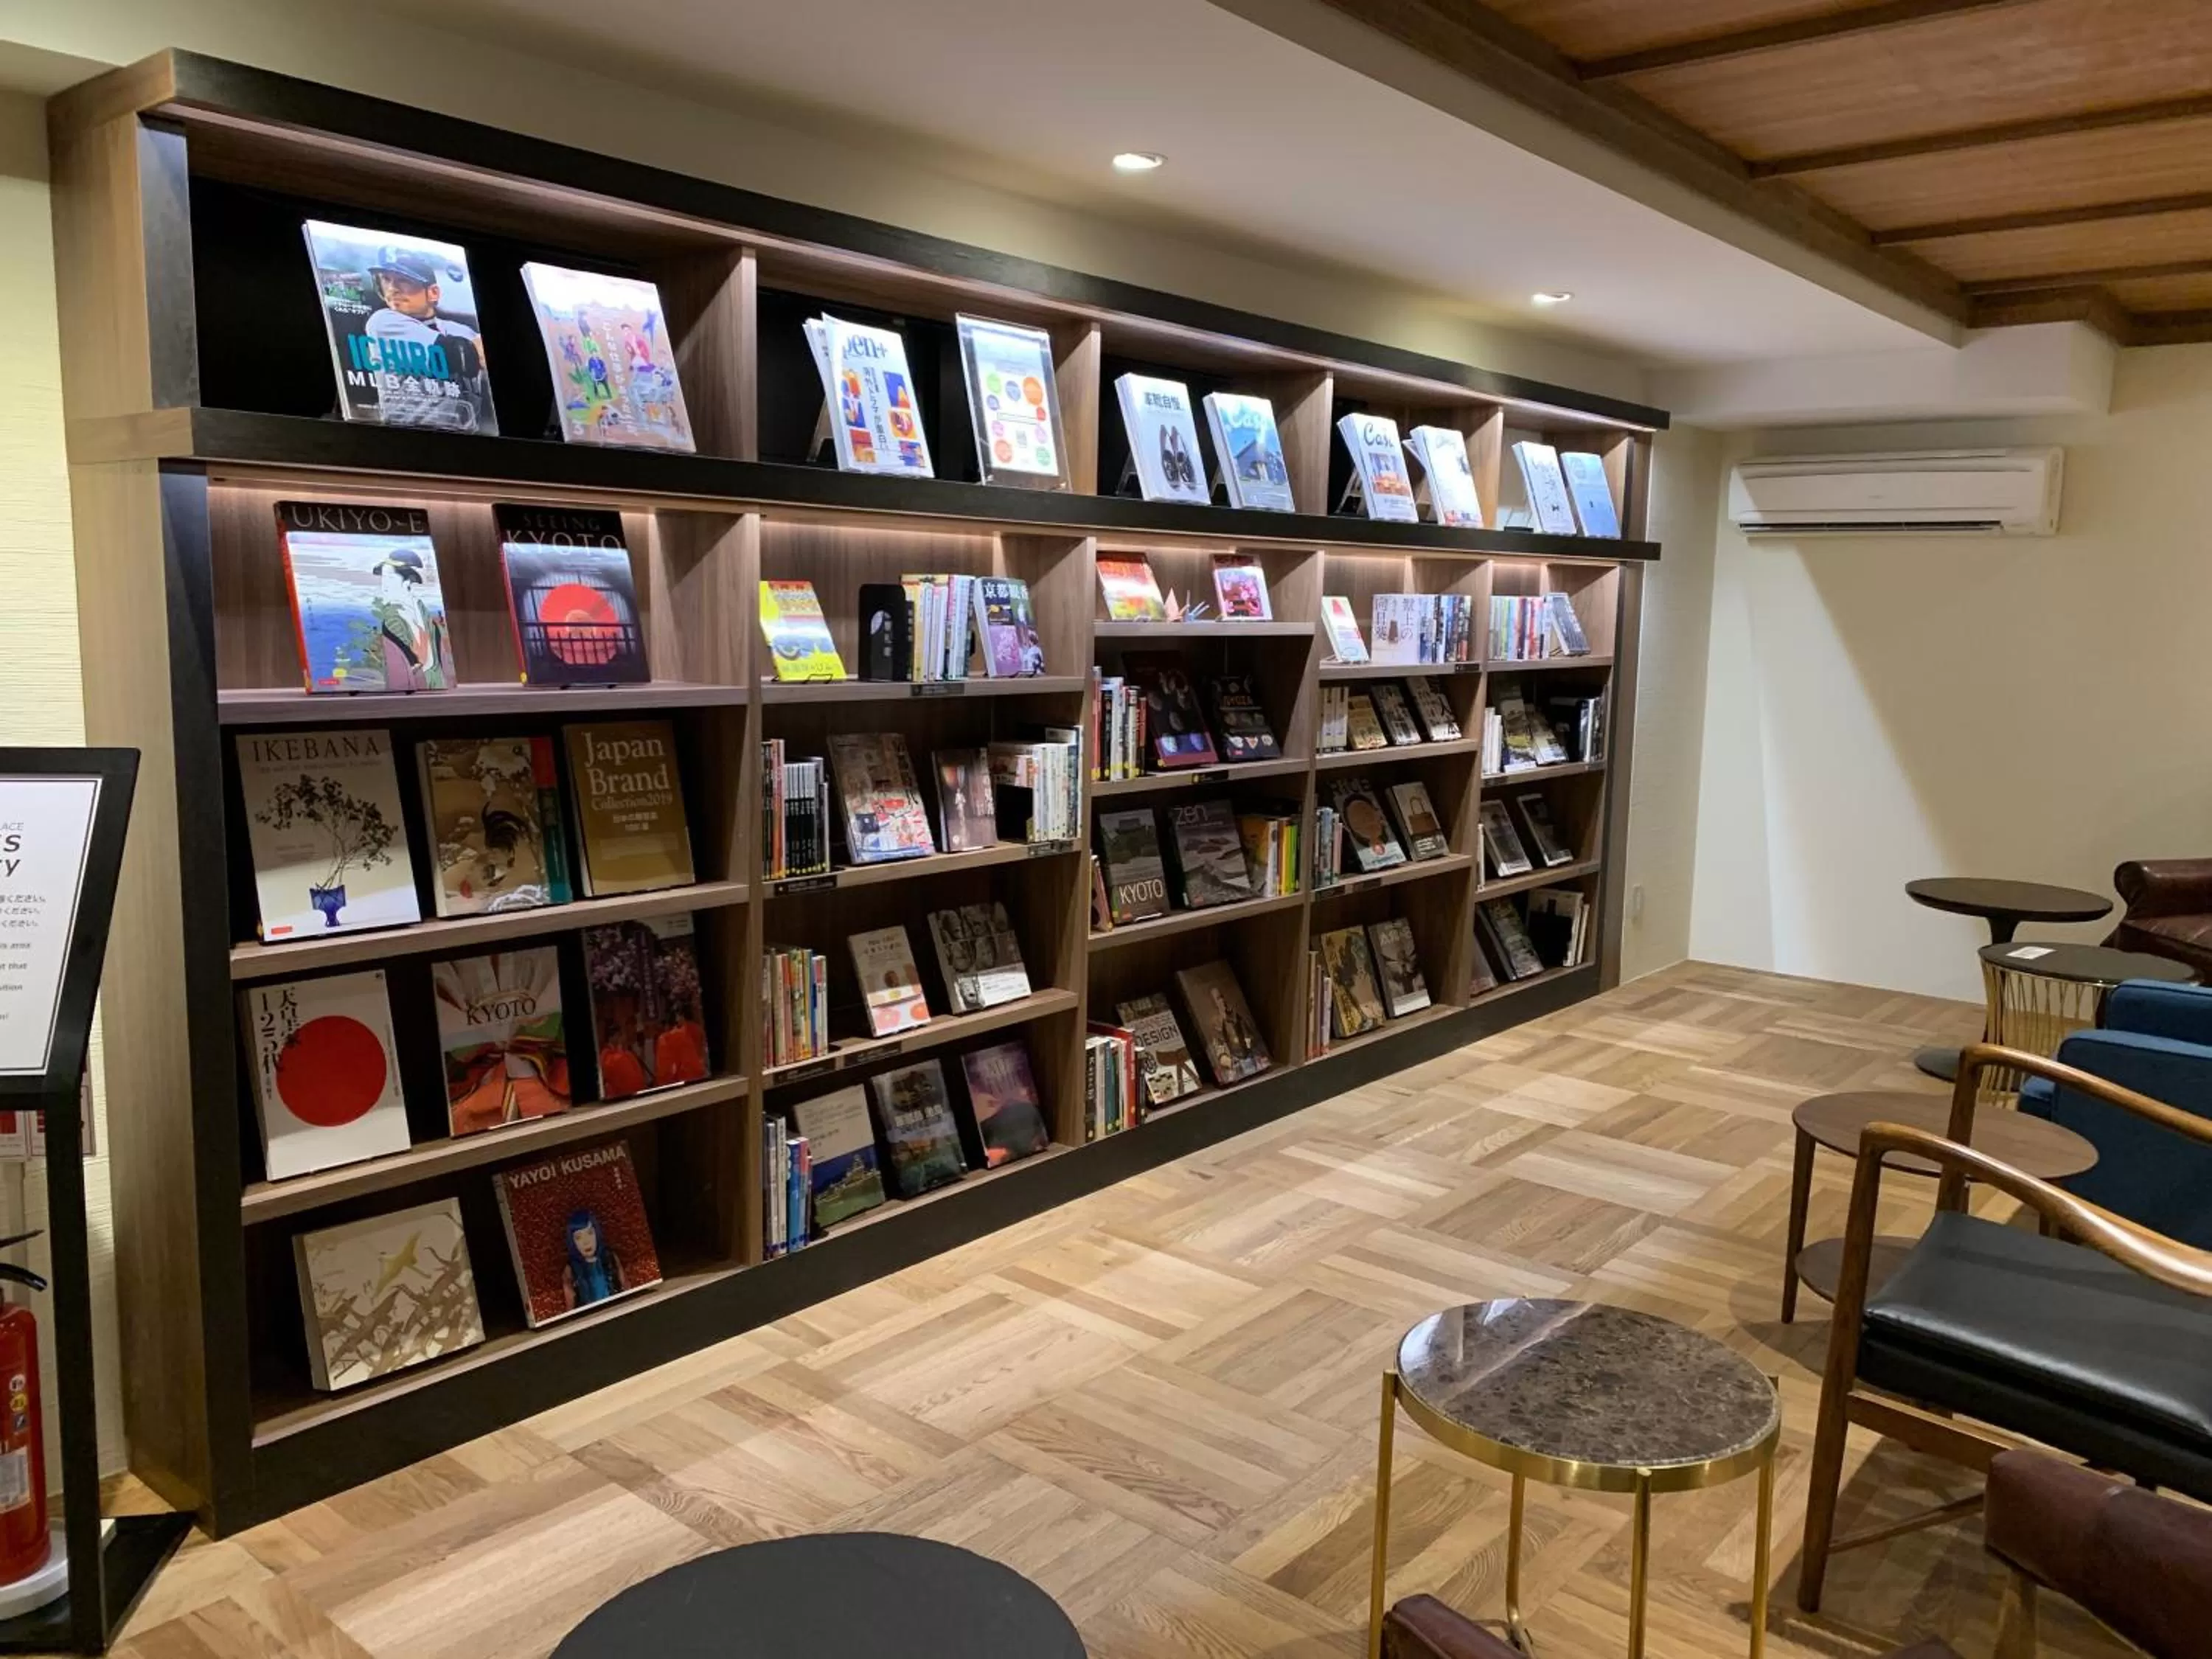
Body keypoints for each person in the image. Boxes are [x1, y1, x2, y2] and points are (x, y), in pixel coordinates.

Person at [363, 246, 495, 433]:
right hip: (407, 438)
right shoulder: (382, 322)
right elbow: (457, 356)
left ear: (433, 293)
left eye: (403, 280)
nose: (392, 288)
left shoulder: (460, 330)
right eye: (386, 279)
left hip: (467, 441)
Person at [563, 1209, 623, 1310]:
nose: (586, 1242)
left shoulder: (610, 1257)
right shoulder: (571, 1269)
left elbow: (625, 1286)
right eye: (579, 1237)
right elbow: (570, 1308)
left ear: (597, 1233)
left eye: (590, 1233)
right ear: (573, 1242)